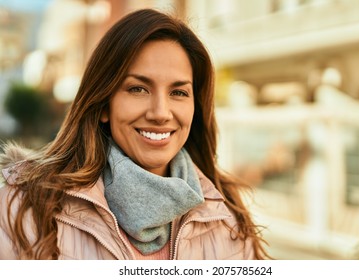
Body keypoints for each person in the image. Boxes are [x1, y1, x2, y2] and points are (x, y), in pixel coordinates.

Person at [0, 9, 268, 260]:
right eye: (138, 89)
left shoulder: (226, 216)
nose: (161, 113)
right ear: (104, 103)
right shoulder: (25, 208)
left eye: (178, 92)